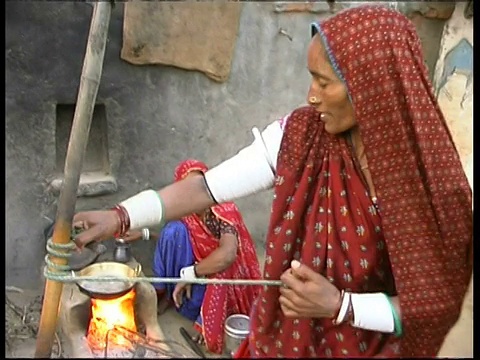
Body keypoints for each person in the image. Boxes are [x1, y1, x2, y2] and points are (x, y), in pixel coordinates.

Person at [72, 5, 473, 358]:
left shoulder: (433, 187)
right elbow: (205, 188)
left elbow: (434, 306)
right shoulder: (301, 136)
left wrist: (341, 306)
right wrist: (121, 216)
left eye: (323, 82)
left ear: (371, 87)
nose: (310, 96)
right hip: (289, 340)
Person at [112, 159, 262, 355]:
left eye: (199, 185)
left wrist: (191, 273)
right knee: (174, 230)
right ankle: (164, 293)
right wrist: (144, 234)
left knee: (220, 272)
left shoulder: (224, 209)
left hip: (222, 282)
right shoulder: (188, 211)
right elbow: (173, 239)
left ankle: (207, 324)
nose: (195, 192)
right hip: (195, 277)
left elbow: (227, 256)